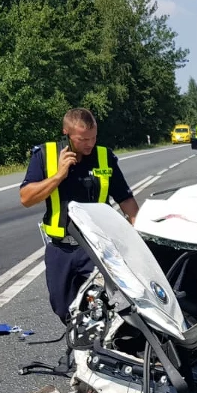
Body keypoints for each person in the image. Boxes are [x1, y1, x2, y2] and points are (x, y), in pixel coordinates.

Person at [19, 108, 139, 321]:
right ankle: (78, 345)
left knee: (108, 304)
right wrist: (59, 175)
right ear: (66, 132)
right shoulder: (46, 156)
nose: (90, 143)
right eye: (83, 139)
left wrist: (138, 232)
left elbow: (126, 199)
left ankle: (102, 348)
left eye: (93, 137)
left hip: (96, 248)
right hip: (61, 249)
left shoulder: (104, 157)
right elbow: (26, 198)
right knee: (62, 308)